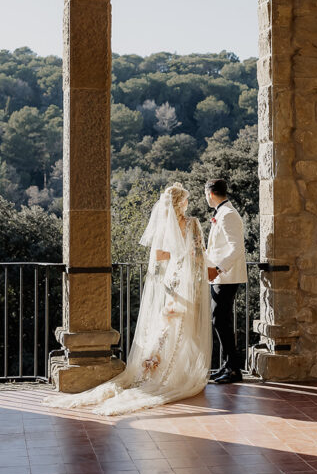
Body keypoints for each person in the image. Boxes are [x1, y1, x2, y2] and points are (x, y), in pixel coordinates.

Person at [43, 183, 212, 416]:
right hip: (185, 280)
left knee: (167, 326)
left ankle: (155, 369)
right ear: (181, 202)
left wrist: (177, 253)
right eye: (185, 200)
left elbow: (160, 256)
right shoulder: (192, 223)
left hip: (171, 280)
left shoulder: (166, 226)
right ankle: (174, 372)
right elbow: (200, 256)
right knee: (183, 326)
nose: (187, 204)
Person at [205, 178, 248, 384]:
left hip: (226, 276)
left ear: (210, 194)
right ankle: (227, 365)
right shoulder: (222, 213)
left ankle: (233, 369)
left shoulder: (228, 215)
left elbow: (236, 248)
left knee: (219, 319)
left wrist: (219, 269)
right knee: (220, 320)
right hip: (220, 276)